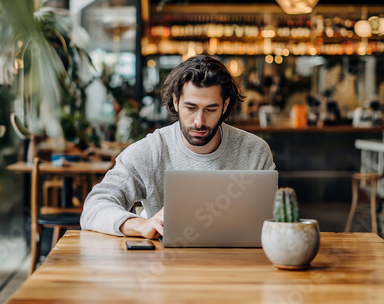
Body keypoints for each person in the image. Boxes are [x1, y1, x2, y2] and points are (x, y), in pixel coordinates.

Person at [80, 55, 275, 239]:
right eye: (190, 108)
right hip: (165, 266)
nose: (199, 121)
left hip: (241, 266)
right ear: (176, 102)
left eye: (211, 109)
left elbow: (274, 221)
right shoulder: (151, 150)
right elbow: (94, 207)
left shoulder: (254, 151)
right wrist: (140, 225)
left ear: (225, 106)